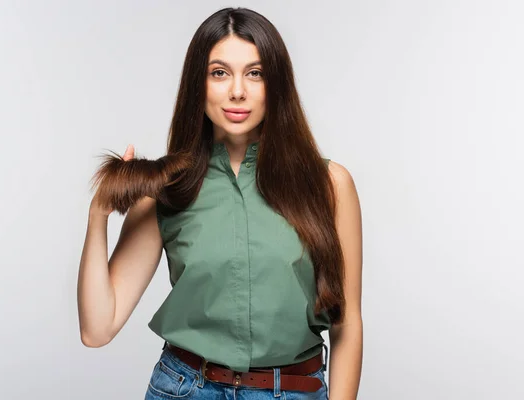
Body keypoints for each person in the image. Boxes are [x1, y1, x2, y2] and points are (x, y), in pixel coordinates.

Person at [77, 7, 363, 400]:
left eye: (255, 73)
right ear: (199, 83)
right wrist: (97, 218)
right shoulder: (168, 188)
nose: (237, 91)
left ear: (276, 83)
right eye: (219, 72)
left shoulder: (330, 185)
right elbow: (97, 328)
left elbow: (347, 325)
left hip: (294, 390)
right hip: (186, 388)